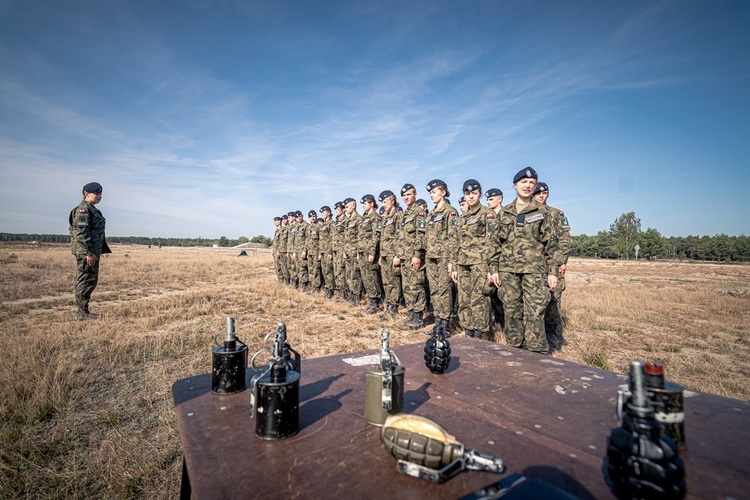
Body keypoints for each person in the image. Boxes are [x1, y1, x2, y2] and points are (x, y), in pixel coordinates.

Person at [489, 168, 561, 355]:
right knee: (511, 310)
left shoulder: (543, 212)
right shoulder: (505, 213)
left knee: (535, 311)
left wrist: (553, 272)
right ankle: (515, 349)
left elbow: (551, 244)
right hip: (508, 271)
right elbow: (495, 243)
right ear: (515, 185)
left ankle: (536, 352)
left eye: (531, 183)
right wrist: (494, 268)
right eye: (523, 182)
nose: (527, 186)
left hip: (535, 270)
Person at [449, 179, 495, 339]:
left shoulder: (487, 214)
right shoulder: (462, 218)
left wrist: (491, 268)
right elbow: (456, 243)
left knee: (478, 299)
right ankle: (468, 331)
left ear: (480, 194)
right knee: (464, 299)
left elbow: (492, 241)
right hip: (462, 264)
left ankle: (480, 335)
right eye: (467, 194)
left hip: (480, 264)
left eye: (474, 193)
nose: (471, 197)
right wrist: (453, 266)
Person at [533, 182, 571, 351]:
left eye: (544, 193)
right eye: (538, 193)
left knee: (553, 301)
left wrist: (561, 262)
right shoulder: (528, 213)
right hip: (534, 264)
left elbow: (564, 240)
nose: (541, 196)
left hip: (552, 264)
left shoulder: (556, 214)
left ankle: (552, 335)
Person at [69, 181, 111, 321]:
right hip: (87, 252)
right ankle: (82, 313)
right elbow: (81, 233)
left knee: (90, 280)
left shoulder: (92, 209)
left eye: (101, 194)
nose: (99, 196)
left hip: (92, 251)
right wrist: (89, 253)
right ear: (87, 194)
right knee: (86, 280)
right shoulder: (84, 210)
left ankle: (84, 311)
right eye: (97, 193)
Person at [424, 179, 459, 335]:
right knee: (435, 291)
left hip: (444, 257)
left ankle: (445, 324)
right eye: (430, 193)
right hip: (431, 256)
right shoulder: (431, 214)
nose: (431, 195)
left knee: (444, 290)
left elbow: (454, 238)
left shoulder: (450, 212)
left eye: (434, 192)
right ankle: (438, 322)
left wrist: (452, 261)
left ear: (443, 192)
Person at [396, 183, 427, 330]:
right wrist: (398, 255)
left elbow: (421, 235)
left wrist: (417, 255)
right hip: (404, 256)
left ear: (415, 195)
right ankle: (410, 313)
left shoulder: (419, 213)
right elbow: (400, 237)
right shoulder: (404, 215)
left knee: (416, 286)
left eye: (409, 194)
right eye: (404, 195)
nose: (406, 198)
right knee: (407, 287)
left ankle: (418, 317)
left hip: (413, 257)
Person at [378, 190, 403, 319]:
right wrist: (380, 256)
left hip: (393, 254)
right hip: (385, 254)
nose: (383, 204)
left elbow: (400, 236)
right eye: (382, 202)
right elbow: (383, 238)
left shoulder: (398, 215)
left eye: (385, 201)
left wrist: (398, 255)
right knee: (386, 282)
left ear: (392, 201)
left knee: (393, 282)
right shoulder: (387, 217)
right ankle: (389, 307)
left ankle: (393, 308)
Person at [485, 188, 505, 331]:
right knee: (491, 293)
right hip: (489, 259)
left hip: (503, 261)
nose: (488, 202)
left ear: (500, 199)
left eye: (491, 199)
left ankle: (504, 323)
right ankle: (496, 322)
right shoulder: (488, 216)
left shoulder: (506, 215)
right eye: (487, 199)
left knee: (503, 294)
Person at [359, 194, 382, 313]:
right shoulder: (365, 218)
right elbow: (361, 236)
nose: (363, 206)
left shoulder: (376, 217)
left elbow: (376, 236)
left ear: (371, 204)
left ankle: (376, 303)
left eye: (365, 203)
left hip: (370, 252)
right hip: (363, 252)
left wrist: (372, 253)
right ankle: (371, 300)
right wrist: (359, 252)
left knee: (372, 277)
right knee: (366, 277)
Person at [343, 197, 363, 305]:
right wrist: (344, 251)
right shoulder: (348, 221)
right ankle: (351, 295)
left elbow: (360, 237)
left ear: (353, 206)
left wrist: (359, 253)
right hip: (348, 252)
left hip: (355, 252)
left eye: (347, 207)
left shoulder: (359, 220)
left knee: (355, 275)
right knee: (349, 275)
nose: (345, 209)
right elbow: (346, 238)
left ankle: (356, 297)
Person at [332, 201, 349, 301]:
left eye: (338, 209)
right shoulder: (337, 221)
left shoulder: (345, 220)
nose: (337, 211)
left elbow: (346, 236)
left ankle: (344, 293)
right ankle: (339, 292)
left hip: (342, 250)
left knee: (342, 271)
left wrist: (344, 250)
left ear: (343, 210)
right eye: (336, 210)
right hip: (335, 249)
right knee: (337, 271)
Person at [319, 206, 335, 299]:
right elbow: (322, 240)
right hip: (323, 251)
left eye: (324, 213)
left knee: (329, 270)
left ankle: (331, 289)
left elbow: (331, 238)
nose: (322, 215)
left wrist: (330, 252)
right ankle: (327, 288)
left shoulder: (331, 223)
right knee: (324, 270)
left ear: (328, 213)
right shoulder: (324, 225)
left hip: (328, 251)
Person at [306, 210, 322, 293]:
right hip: (310, 253)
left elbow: (321, 240)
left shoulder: (319, 227)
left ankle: (317, 287)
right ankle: (313, 285)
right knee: (311, 270)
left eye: (314, 216)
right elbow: (307, 240)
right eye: (311, 216)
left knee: (316, 270)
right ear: (309, 218)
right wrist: (306, 251)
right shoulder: (308, 227)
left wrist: (320, 253)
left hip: (316, 252)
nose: (313, 218)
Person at [272, 216, 284, 282]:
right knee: (276, 265)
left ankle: (281, 279)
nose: (274, 223)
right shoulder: (276, 231)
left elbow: (281, 242)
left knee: (279, 265)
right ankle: (279, 278)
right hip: (275, 250)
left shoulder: (281, 230)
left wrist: (278, 251)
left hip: (278, 251)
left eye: (275, 221)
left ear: (279, 221)